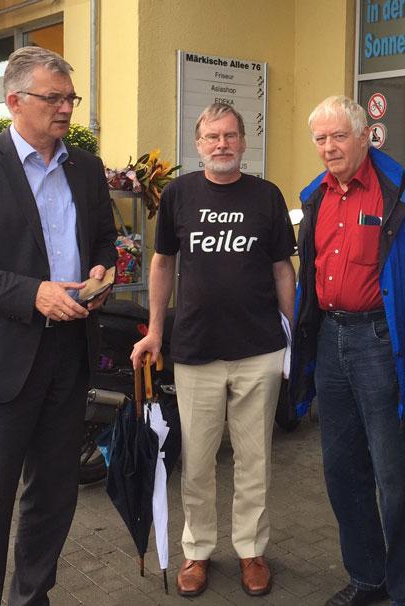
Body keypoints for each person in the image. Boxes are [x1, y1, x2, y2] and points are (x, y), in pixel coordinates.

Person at [0, 46, 117, 605]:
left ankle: (32, 598)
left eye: (70, 98)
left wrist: (101, 271)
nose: (66, 109)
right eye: (53, 98)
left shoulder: (85, 167)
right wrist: (32, 294)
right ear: (14, 101)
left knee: (54, 495)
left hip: (69, 354)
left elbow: (104, 239)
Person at [130, 103, 296, 598]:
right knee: (198, 462)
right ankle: (197, 551)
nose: (221, 144)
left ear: (243, 141)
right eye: (212, 137)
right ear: (198, 144)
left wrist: (293, 334)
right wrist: (155, 330)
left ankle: (251, 550)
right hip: (196, 350)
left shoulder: (267, 196)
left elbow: (282, 269)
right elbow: (162, 264)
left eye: (229, 135)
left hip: (258, 350)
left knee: (254, 460)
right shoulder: (178, 194)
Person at [289, 95, 405, 606]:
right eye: (320, 138)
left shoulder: (403, 190)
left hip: (380, 342)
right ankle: (368, 577)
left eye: (338, 136)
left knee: (392, 474)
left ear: (363, 137)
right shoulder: (316, 196)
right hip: (330, 339)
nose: (328, 147)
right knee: (341, 468)